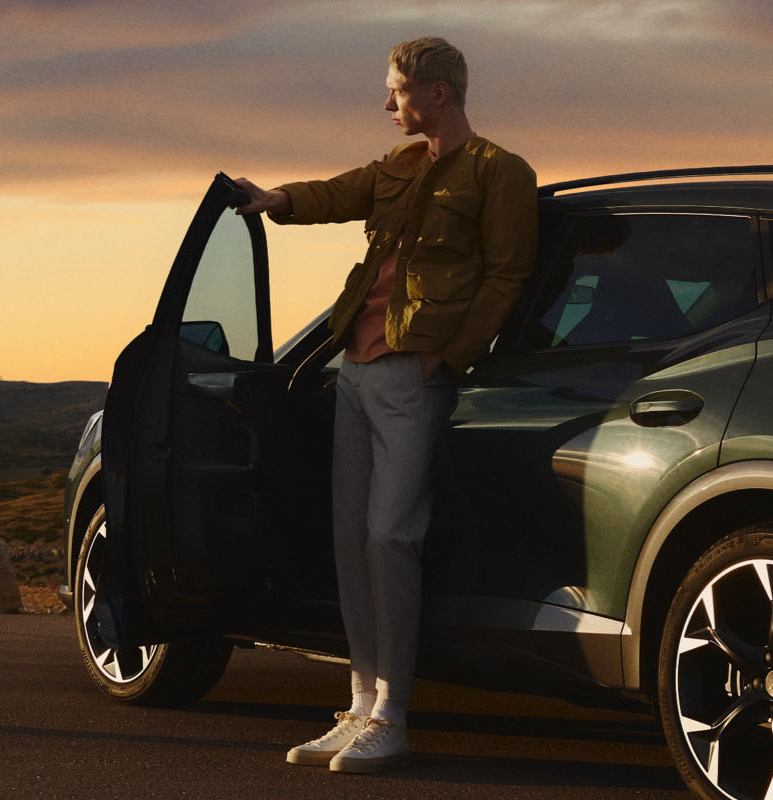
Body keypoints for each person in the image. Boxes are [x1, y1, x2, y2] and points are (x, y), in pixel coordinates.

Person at [231, 36, 537, 774]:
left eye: (396, 90)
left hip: (413, 374)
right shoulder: (399, 166)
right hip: (356, 369)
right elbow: (338, 194)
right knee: (349, 540)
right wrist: (276, 200)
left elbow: (507, 277)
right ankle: (360, 705)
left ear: (436, 90)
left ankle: (393, 715)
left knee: (390, 538)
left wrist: (445, 357)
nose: (387, 104)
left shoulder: (502, 172)